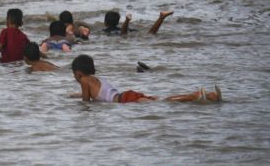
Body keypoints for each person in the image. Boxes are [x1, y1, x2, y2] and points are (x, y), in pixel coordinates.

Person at [71, 54, 222, 103]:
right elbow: (101, 93)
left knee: (165, 103)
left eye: (74, 74)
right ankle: (209, 95)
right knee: (162, 100)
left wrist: (78, 99)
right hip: (126, 94)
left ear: (78, 73)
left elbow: (86, 102)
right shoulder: (98, 79)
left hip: (125, 100)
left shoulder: (84, 81)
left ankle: (194, 96)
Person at [102, 10, 173, 35]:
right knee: (150, 33)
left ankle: (127, 21)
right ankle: (161, 17)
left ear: (105, 22)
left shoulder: (104, 31)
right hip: (124, 30)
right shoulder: (121, 28)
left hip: (118, 33)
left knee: (123, 34)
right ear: (117, 22)